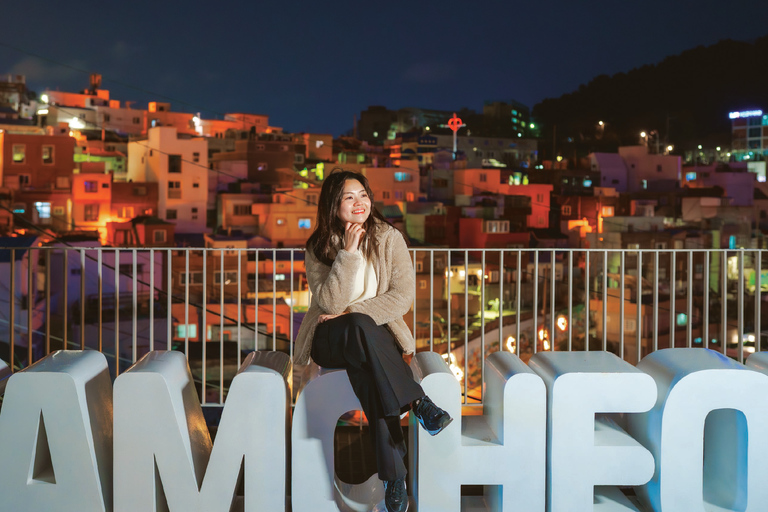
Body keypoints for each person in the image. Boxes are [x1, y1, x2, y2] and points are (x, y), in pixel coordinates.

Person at [294, 170, 452, 512]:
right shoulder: (318, 245)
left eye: (363, 195)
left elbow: (401, 299)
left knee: (375, 381)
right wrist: (348, 253)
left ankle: (394, 478)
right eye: (349, 197)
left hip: (373, 336)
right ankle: (420, 402)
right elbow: (330, 304)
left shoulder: (389, 238)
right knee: (360, 332)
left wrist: (355, 311)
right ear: (333, 204)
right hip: (332, 338)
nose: (359, 202)